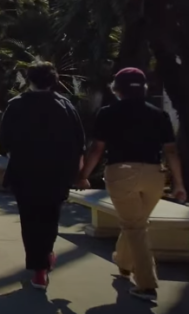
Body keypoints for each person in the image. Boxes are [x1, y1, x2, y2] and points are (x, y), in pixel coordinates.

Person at [76, 67, 186, 302]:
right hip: (155, 174)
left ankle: (146, 284)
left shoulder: (108, 112)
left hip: (122, 172)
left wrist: (84, 174)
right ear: (143, 88)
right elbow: (171, 151)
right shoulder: (159, 114)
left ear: (116, 89)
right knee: (136, 223)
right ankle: (124, 263)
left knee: (135, 227)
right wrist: (179, 183)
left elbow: (97, 148)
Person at [0, 61, 85, 291]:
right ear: (54, 81)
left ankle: (39, 268)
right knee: (50, 219)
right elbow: (79, 144)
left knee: (30, 220)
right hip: (57, 174)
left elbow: (4, 141)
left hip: (25, 172)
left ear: (30, 79)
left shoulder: (16, 105)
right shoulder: (66, 106)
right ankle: (43, 262)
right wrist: (79, 173)